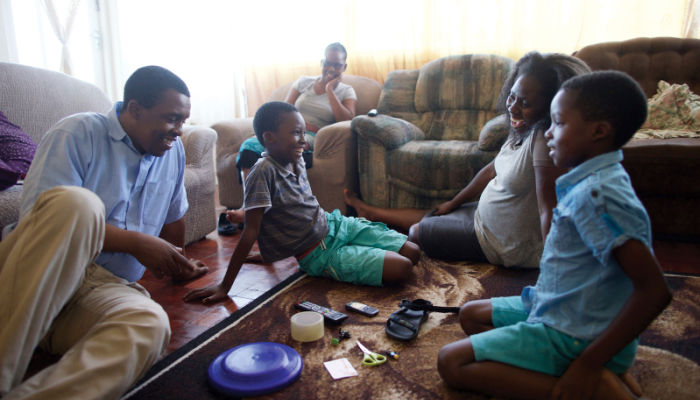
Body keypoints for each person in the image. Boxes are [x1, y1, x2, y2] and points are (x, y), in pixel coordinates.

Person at [437, 71, 673, 399]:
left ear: (599, 132)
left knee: (451, 362)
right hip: (557, 305)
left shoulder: (599, 196)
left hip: (575, 331)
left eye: (558, 123)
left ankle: (590, 386)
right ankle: (599, 373)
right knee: (471, 314)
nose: (547, 133)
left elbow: (655, 291)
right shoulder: (592, 180)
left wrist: (588, 363)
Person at [0, 66, 208, 400]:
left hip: (95, 290)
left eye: (183, 121)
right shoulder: (76, 133)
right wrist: (137, 243)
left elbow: (172, 221)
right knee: (79, 204)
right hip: (33, 272)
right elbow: (46, 222)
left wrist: (176, 261)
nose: (179, 131)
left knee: (148, 325)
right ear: (135, 109)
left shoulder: (172, 154)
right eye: (171, 119)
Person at [344, 52, 590, 267]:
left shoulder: (542, 141)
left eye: (524, 103)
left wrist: (552, 267)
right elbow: (493, 169)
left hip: (501, 242)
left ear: (550, 107)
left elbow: (550, 208)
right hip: (483, 217)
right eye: (512, 96)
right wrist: (454, 202)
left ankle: (365, 233)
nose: (513, 107)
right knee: (438, 213)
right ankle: (371, 211)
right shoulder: (522, 130)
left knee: (417, 232)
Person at [185, 101, 420, 305]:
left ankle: (365, 252)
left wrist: (271, 251)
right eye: (296, 133)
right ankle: (353, 259)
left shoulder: (294, 157)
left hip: (336, 224)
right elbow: (251, 231)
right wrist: (224, 286)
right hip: (318, 253)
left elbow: (290, 210)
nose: (304, 141)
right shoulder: (262, 173)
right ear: (270, 137)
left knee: (413, 252)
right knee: (402, 268)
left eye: (303, 132)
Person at [219, 42, 357, 233]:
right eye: (327, 63)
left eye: (337, 65)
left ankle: (263, 211)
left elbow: (348, 119)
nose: (331, 69)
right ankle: (249, 208)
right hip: (283, 131)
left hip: (308, 136)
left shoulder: (346, 91)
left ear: (344, 67)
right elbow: (281, 109)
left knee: (283, 148)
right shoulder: (304, 82)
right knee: (250, 146)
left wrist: (330, 91)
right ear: (321, 62)